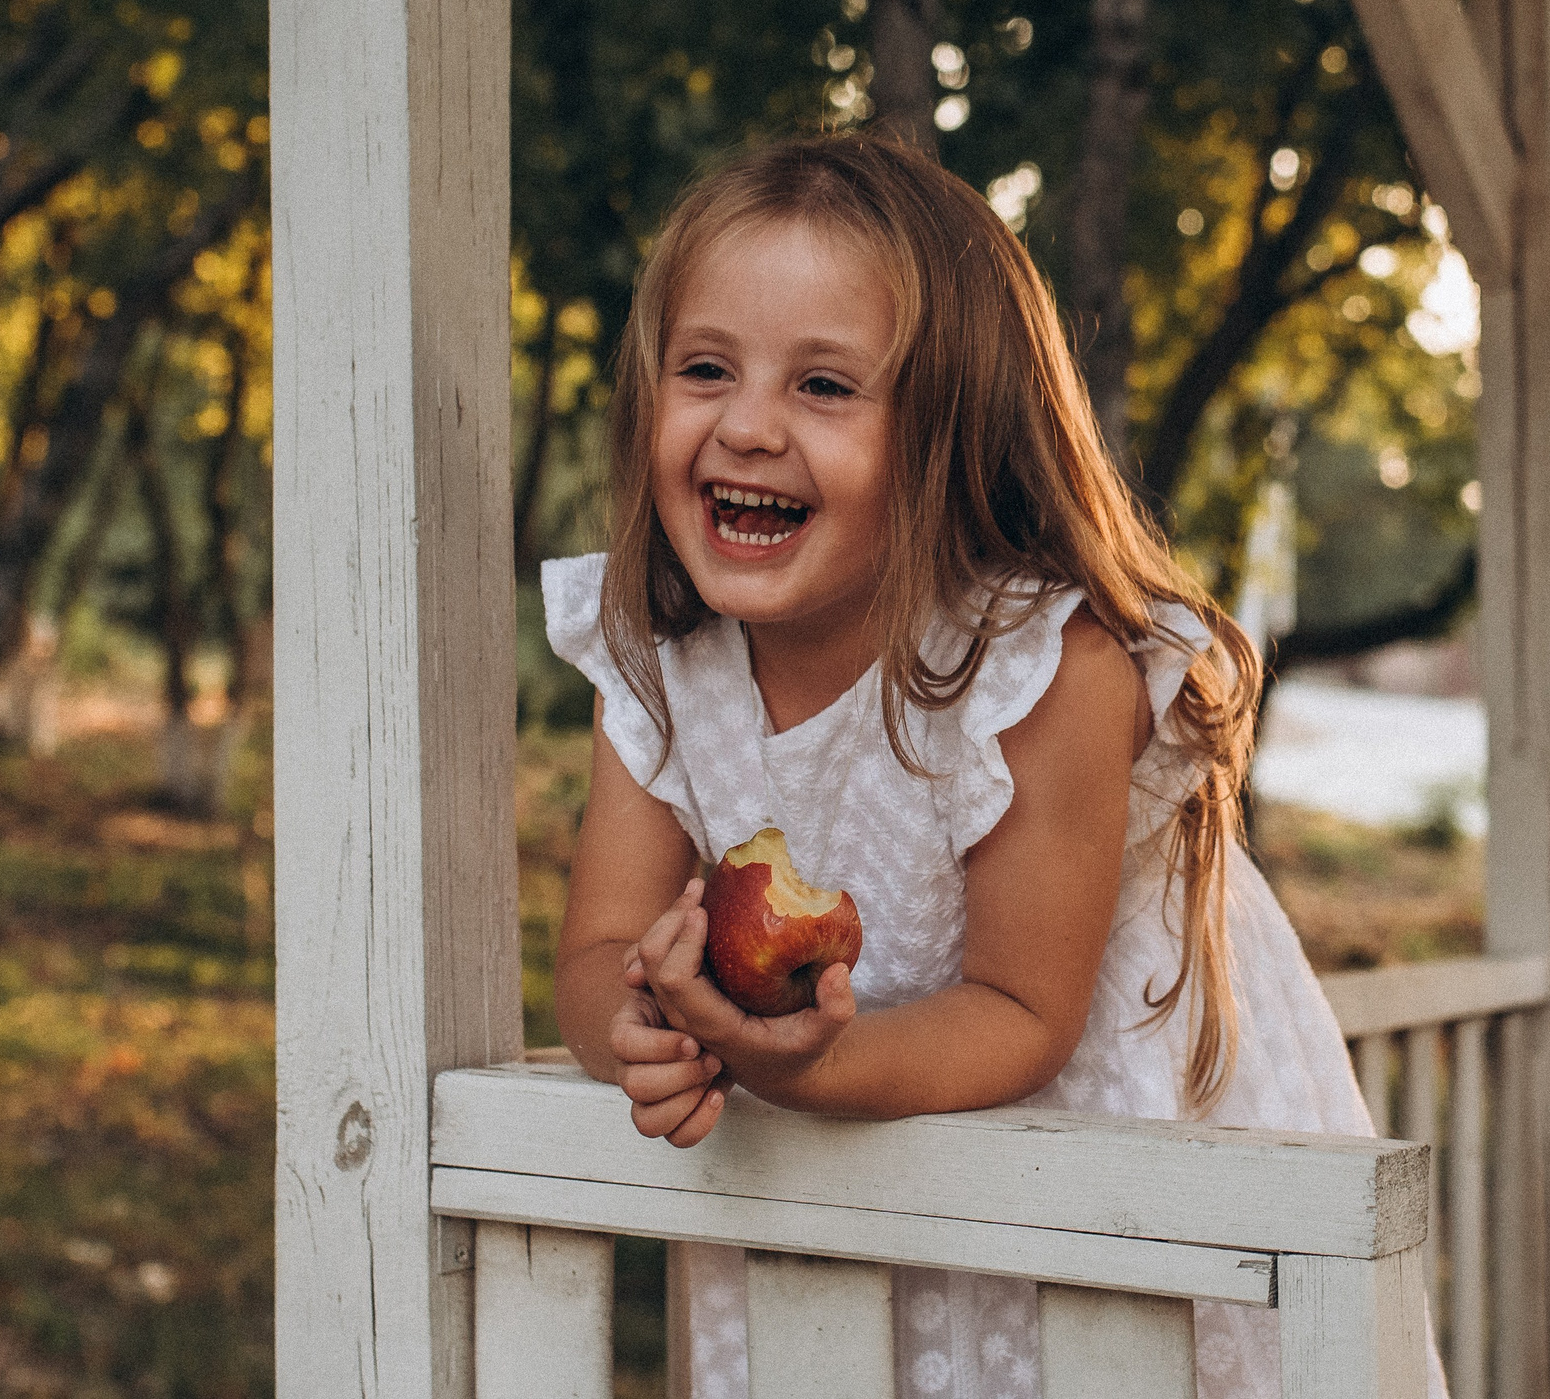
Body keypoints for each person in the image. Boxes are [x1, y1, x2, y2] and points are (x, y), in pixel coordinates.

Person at [544, 131, 1439, 1399]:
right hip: (837, 1185)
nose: (746, 425)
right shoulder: (660, 662)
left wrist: (807, 1067)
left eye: (824, 387)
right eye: (705, 368)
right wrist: (640, 1026)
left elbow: (1022, 1011)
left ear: (951, 435)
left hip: (1096, 1179)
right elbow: (596, 946)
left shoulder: (1036, 667)